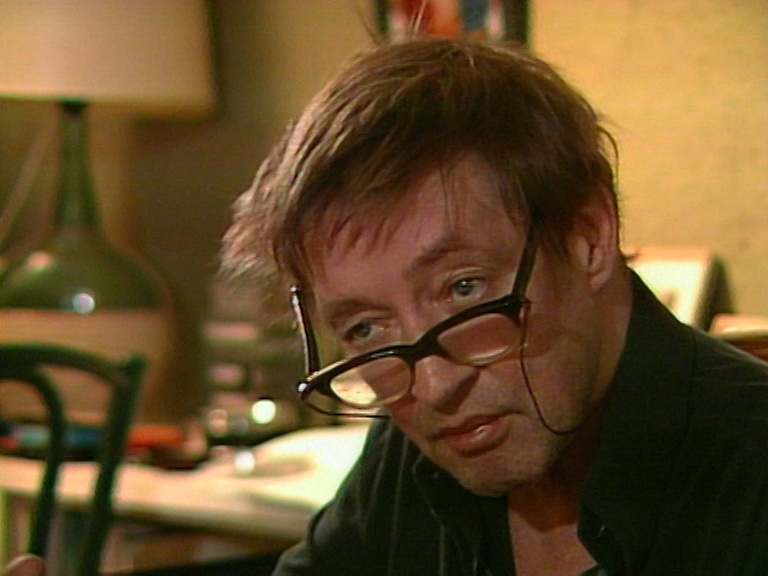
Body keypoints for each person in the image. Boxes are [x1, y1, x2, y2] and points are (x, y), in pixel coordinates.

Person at [223, 37, 768, 575]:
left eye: (464, 288)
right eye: (366, 328)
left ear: (588, 236)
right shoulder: (413, 448)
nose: (434, 387)